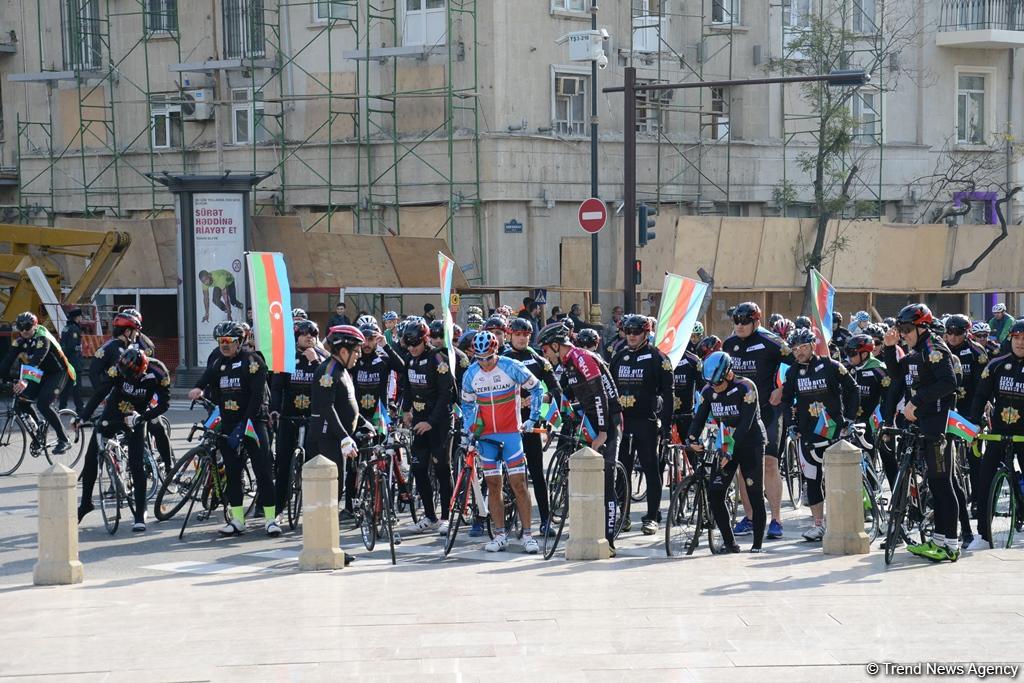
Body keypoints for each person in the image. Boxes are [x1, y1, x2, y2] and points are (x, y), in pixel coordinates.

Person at [881, 303, 960, 562]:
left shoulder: (934, 349)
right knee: (935, 485)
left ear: (922, 326)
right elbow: (896, 374)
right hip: (923, 425)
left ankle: (950, 543)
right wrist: (890, 348)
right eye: (900, 329)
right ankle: (938, 541)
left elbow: (949, 383)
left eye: (906, 329)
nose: (903, 333)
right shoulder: (916, 352)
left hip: (938, 426)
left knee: (942, 483)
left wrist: (917, 402)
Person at [538, 322, 623, 553]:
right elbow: (565, 395)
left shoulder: (581, 357)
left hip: (608, 419)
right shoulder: (567, 363)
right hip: (591, 416)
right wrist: (550, 417)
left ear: (556, 345)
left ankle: (609, 540)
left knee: (606, 479)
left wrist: (604, 432)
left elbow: (599, 394)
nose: (544, 355)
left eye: (545, 350)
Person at [188, 322, 278, 537]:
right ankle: (238, 519)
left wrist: (244, 424)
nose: (224, 345)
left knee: (263, 470)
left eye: (228, 341)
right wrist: (198, 388)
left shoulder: (252, 361)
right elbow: (206, 378)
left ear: (240, 342)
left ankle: (271, 519)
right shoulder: (218, 362)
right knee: (232, 471)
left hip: (252, 423)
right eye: (220, 341)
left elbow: (257, 396)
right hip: (228, 423)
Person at [461, 331, 545, 553]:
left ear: (495, 351)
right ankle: (499, 535)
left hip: (510, 434)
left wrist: (533, 418)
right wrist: (471, 428)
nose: (484, 363)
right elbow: (467, 405)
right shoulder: (471, 374)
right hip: (487, 437)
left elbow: (537, 388)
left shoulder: (511, 366)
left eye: (488, 358)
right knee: (493, 485)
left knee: (518, 483)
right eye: (479, 359)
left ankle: (528, 535)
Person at [775, 328, 859, 541]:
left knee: (836, 478)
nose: (799, 352)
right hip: (807, 434)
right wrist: (791, 425)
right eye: (795, 349)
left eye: (803, 347)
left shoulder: (831, 365)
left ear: (813, 345)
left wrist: (849, 419)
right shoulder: (792, 372)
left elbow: (852, 388)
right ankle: (818, 524)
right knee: (812, 479)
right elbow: (786, 401)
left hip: (834, 431)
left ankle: (843, 520)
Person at [74, 349, 170, 531]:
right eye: (127, 376)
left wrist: (143, 417)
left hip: (137, 415)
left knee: (136, 463)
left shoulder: (159, 372)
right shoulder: (117, 369)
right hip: (115, 410)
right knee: (91, 456)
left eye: (134, 375)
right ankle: (86, 503)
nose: (131, 379)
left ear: (144, 368)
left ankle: (140, 512)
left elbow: (164, 404)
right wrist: (82, 417)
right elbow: (100, 393)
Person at [687, 352, 768, 553]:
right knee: (715, 493)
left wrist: (729, 450)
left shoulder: (746, 387)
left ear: (729, 373)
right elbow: (699, 419)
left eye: (718, 383)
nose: (715, 388)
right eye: (711, 385)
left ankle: (757, 544)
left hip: (750, 442)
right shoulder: (709, 390)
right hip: (726, 443)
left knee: (754, 493)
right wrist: (692, 438)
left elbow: (745, 424)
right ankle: (730, 543)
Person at [723, 302, 789, 539]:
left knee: (770, 463)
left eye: (744, 321)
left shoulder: (771, 342)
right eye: (736, 321)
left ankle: (777, 519)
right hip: (740, 414)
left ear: (756, 321)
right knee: (744, 465)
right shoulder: (729, 344)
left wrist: (782, 390)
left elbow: (801, 362)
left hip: (769, 412)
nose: (739, 326)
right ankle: (750, 517)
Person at [611, 314, 674, 535]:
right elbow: (610, 391)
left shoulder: (658, 358)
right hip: (623, 423)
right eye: (628, 332)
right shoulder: (618, 357)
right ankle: (624, 515)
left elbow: (668, 393)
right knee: (622, 471)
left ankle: (651, 517)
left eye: (636, 332)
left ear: (646, 333)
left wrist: (666, 427)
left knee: (651, 469)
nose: (631, 336)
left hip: (646, 422)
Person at [968, 319, 1024, 549]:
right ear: (1010, 339)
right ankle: (983, 531)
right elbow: (980, 397)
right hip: (998, 432)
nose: (1021, 343)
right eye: (1017, 338)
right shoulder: (996, 365)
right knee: (985, 478)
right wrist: (973, 425)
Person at [504, 318, 562, 536]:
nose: (522, 338)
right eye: (518, 334)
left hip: (531, 425)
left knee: (537, 474)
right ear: (510, 335)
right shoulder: (502, 358)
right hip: (507, 425)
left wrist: (539, 399)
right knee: (503, 474)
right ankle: (499, 519)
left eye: (526, 334)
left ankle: (546, 521)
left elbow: (556, 390)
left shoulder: (538, 359)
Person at [400, 318, 455, 533]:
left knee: (442, 469)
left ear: (425, 340)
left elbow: (446, 395)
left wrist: (430, 422)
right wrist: (406, 409)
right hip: (419, 422)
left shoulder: (438, 359)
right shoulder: (409, 359)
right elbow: (407, 387)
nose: (413, 348)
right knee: (419, 468)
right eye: (409, 344)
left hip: (438, 422)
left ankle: (446, 517)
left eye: (416, 344)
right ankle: (430, 516)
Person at [270, 319, 329, 518]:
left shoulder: (323, 358)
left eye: (313, 334)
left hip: (313, 419)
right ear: (296, 336)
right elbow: (277, 388)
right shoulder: (286, 357)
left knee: (315, 465)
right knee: (283, 464)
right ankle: (277, 510)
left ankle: (316, 511)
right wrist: (274, 410)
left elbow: (327, 383)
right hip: (290, 416)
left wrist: (314, 361)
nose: (309, 337)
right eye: (304, 333)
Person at [0, 312, 75, 454]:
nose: (23, 332)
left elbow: (37, 359)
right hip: (40, 373)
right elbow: (7, 360)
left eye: (26, 329)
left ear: (34, 326)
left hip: (58, 372)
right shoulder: (21, 339)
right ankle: (39, 424)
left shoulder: (42, 336)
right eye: (20, 329)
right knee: (22, 400)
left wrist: (25, 380)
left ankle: (64, 439)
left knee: (43, 404)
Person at [58, 308, 86, 413]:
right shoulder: (74, 329)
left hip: (67, 360)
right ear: (77, 317)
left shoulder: (66, 328)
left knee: (66, 386)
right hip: (74, 361)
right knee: (77, 386)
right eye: (80, 316)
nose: (81, 318)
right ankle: (80, 408)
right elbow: (72, 346)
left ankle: (62, 407)